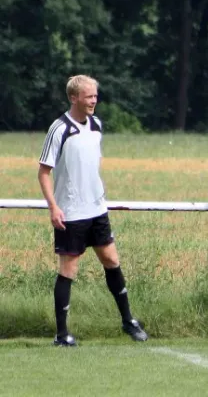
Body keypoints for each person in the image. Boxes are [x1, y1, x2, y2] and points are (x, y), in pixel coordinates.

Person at [38, 75, 148, 346]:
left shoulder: (97, 125)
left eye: (95, 96)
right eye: (89, 96)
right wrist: (54, 207)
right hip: (72, 213)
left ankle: (127, 320)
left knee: (111, 260)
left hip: (97, 209)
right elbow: (44, 172)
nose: (94, 101)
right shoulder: (59, 128)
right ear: (74, 98)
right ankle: (62, 334)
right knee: (68, 269)